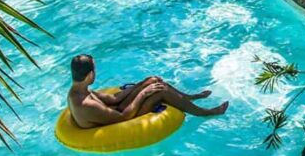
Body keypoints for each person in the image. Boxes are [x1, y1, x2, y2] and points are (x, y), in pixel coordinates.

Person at [67, 54, 228, 129]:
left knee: (153, 80)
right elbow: (123, 117)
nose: (96, 72)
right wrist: (143, 93)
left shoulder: (79, 91)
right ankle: (206, 113)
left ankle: (189, 98)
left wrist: (142, 84)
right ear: (90, 75)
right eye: (95, 69)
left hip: (115, 110)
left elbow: (112, 99)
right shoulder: (86, 104)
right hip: (121, 118)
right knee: (160, 92)